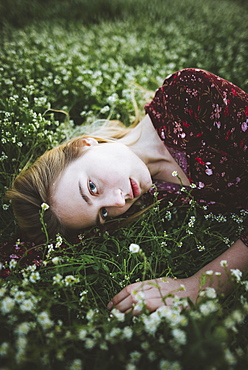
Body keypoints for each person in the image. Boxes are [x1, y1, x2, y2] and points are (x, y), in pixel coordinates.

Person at [6, 68, 248, 314]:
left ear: (83, 145)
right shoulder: (155, 196)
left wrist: (199, 285)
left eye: (92, 188)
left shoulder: (187, 94)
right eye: (104, 214)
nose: (119, 201)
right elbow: (40, 251)